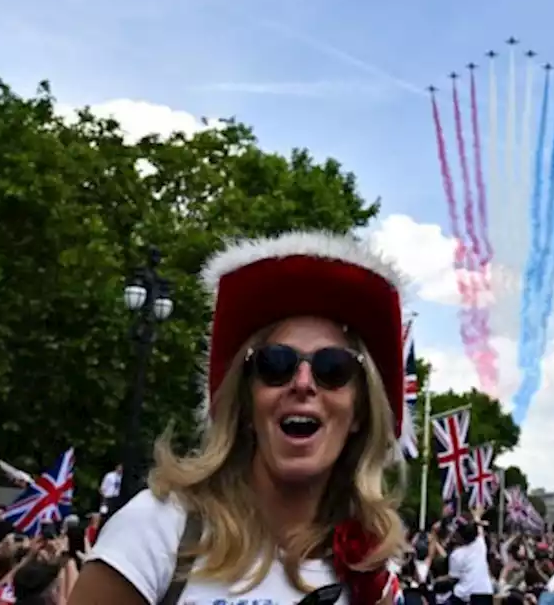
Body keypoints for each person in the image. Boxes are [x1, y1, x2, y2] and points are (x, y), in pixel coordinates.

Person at [69, 231, 410, 605]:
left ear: (360, 411)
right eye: (275, 364)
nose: (303, 383)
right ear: (246, 402)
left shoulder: (369, 572)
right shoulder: (157, 529)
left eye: (333, 368)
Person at [447, 512, 493, 605]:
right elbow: (479, 530)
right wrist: (477, 516)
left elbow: (453, 579)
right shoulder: (480, 544)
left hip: (465, 596)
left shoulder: (456, 555)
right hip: (485, 593)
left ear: (459, 535)